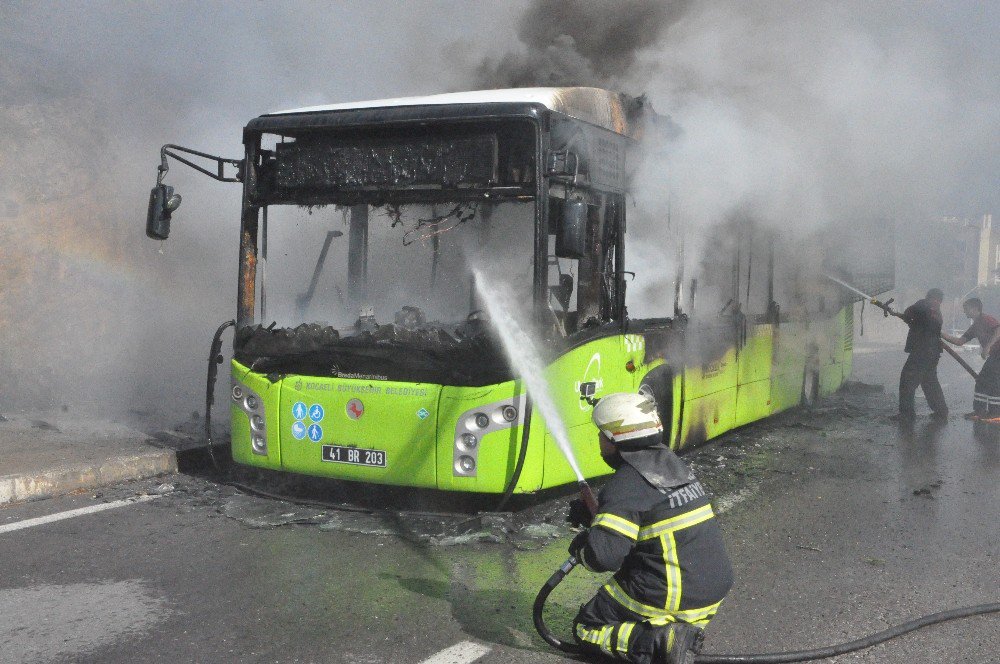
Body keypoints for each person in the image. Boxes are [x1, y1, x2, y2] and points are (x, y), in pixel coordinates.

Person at [568, 392, 733, 664]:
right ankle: (675, 633)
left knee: (587, 628)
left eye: (601, 434)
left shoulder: (625, 484)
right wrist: (597, 520)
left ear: (615, 439)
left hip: (677, 595)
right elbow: (651, 520)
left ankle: (661, 641)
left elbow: (604, 558)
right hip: (711, 592)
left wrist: (584, 545)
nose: (599, 440)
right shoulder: (672, 464)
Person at [942, 297, 1000, 420]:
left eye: (966, 309)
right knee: (982, 381)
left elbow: (998, 330)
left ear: (974, 309)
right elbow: (959, 341)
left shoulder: (986, 319)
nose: (964, 312)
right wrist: (941, 334)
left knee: (993, 381)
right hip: (995, 355)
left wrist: (988, 347)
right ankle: (980, 411)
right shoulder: (975, 326)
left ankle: (996, 412)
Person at [896, 288, 948, 421]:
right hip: (933, 352)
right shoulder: (937, 311)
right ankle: (941, 411)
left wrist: (908, 319)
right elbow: (922, 323)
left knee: (907, 381)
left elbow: (908, 313)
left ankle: (906, 414)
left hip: (921, 351)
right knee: (929, 381)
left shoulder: (924, 303)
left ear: (929, 296)